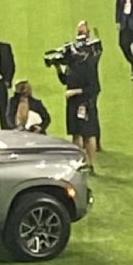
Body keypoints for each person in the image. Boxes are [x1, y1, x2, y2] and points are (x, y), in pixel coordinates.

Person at [54, 25, 101, 172]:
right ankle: (78, 161)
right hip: (72, 102)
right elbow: (65, 80)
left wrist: (75, 92)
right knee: (75, 132)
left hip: (85, 102)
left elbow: (94, 88)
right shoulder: (72, 65)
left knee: (88, 134)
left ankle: (90, 163)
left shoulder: (89, 64)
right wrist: (57, 68)